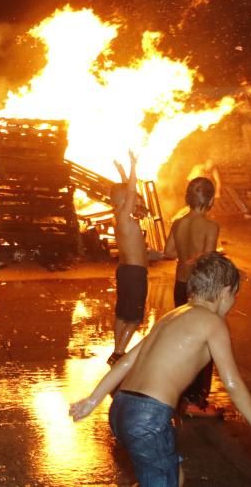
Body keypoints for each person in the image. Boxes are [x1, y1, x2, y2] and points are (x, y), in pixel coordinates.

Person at [70, 253, 251, 486]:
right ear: (226, 292)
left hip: (122, 409)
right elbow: (233, 383)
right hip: (149, 417)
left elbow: (125, 362)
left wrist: (92, 400)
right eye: (235, 295)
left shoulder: (170, 317)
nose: (233, 302)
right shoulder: (212, 323)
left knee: (174, 476)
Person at [163, 176, 221, 416]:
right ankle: (197, 399)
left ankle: (183, 392)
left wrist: (187, 256)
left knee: (185, 339)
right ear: (210, 199)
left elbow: (169, 252)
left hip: (180, 283)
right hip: (200, 287)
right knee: (205, 343)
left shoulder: (178, 223)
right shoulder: (210, 226)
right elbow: (207, 261)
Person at [109, 152, 153, 364]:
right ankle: (119, 352)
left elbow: (127, 192)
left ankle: (116, 349)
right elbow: (131, 190)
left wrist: (121, 173)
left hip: (125, 270)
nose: (135, 199)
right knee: (135, 317)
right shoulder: (125, 218)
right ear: (124, 201)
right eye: (130, 198)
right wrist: (134, 166)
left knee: (122, 313)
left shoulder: (118, 218)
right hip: (135, 273)